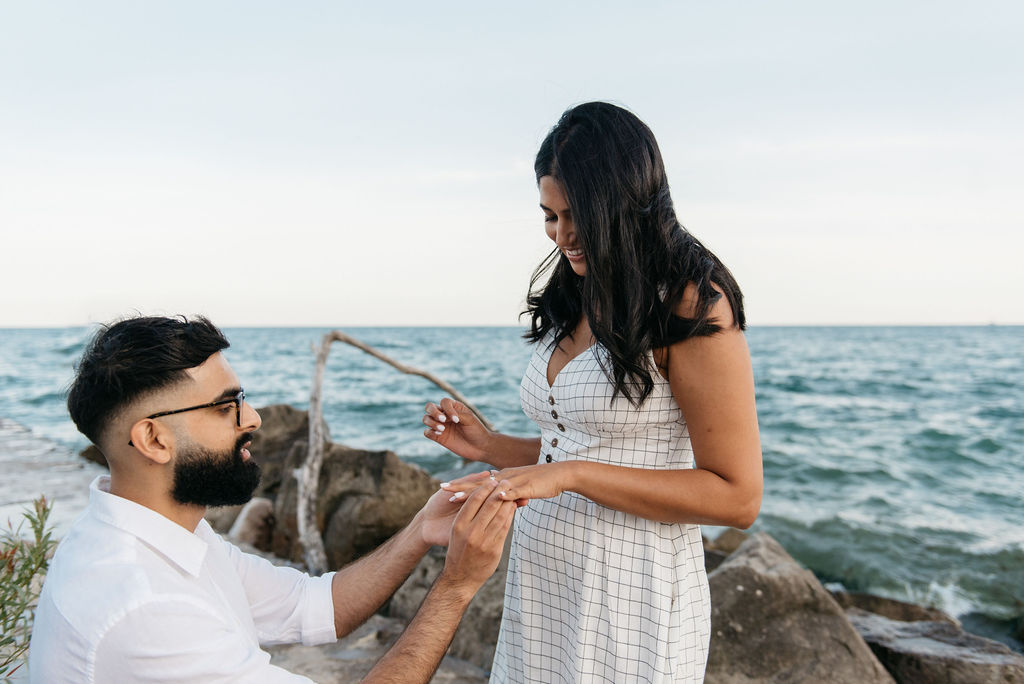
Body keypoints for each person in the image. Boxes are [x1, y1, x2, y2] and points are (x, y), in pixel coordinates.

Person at [423, 102, 763, 683]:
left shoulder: (690, 300)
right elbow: (568, 451)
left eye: (578, 214)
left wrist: (574, 475)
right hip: (544, 580)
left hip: (632, 594)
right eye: (550, 215)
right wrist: (490, 447)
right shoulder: (579, 288)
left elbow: (737, 499)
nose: (563, 235)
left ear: (627, 199)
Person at [29, 315, 516, 683]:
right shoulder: (143, 606)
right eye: (226, 407)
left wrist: (420, 531)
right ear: (153, 440)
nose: (254, 418)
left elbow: (314, 606)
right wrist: (457, 585)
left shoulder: (164, 532)